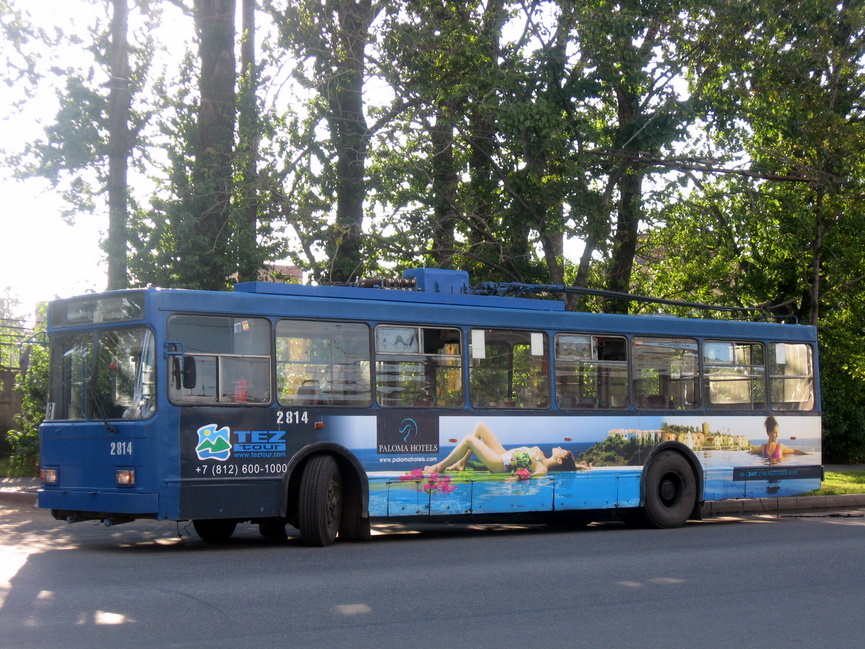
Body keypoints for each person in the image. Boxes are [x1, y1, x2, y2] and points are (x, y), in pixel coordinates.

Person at [424, 422, 590, 476]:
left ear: (560, 460)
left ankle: (439, 467)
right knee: (480, 427)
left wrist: (518, 478)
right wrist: (577, 466)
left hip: (499, 463)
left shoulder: (542, 467)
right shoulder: (542, 456)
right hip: (503, 454)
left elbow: (532, 476)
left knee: (469, 438)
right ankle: (461, 463)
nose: (560, 447)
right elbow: (568, 465)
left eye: (563, 450)